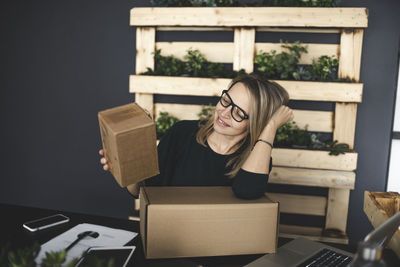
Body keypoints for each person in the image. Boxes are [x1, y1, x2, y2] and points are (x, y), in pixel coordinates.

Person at [99, 73, 293, 199]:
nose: (225, 112)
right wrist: (128, 170)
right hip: (166, 241)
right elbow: (142, 192)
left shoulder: (256, 158)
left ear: (255, 124)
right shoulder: (181, 133)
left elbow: (247, 191)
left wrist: (271, 126)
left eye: (239, 113)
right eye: (226, 101)